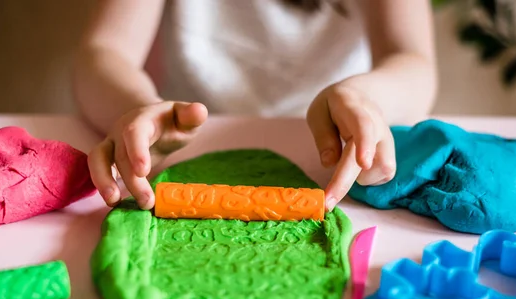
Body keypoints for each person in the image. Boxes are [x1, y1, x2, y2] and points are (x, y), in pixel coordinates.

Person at [73, 0, 437, 211]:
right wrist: (136, 107)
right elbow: (102, 53)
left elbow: (413, 62)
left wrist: (369, 100)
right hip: (184, 143)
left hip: (328, 153)